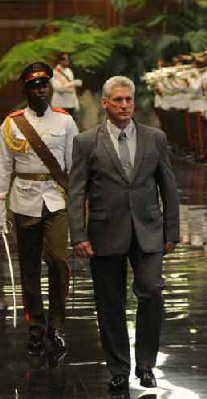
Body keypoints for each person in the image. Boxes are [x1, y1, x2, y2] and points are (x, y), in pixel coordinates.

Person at [68, 76, 180, 394]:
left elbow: (168, 186)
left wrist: (172, 230)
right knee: (109, 303)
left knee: (152, 291)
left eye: (128, 99)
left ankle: (146, 365)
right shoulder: (87, 142)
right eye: (117, 100)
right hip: (104, 232)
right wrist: (78, 234)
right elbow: (77, 191)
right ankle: (118, 368)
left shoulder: (154, 138)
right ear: (105, 103)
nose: (124, 105)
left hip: (149, 230)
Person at [0, 62, 78, 357]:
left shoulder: (66, 121)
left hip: (56, 200)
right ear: (26, 90)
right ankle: (36, 327)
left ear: (50, 87)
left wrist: (79, 202)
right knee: (29, 268)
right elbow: (3, 168)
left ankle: (56, 325)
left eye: (44, 84)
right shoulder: (11, 124)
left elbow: (74, 164)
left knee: (59, 260)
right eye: (34, 86)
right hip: (24, 201)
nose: (41, 89)